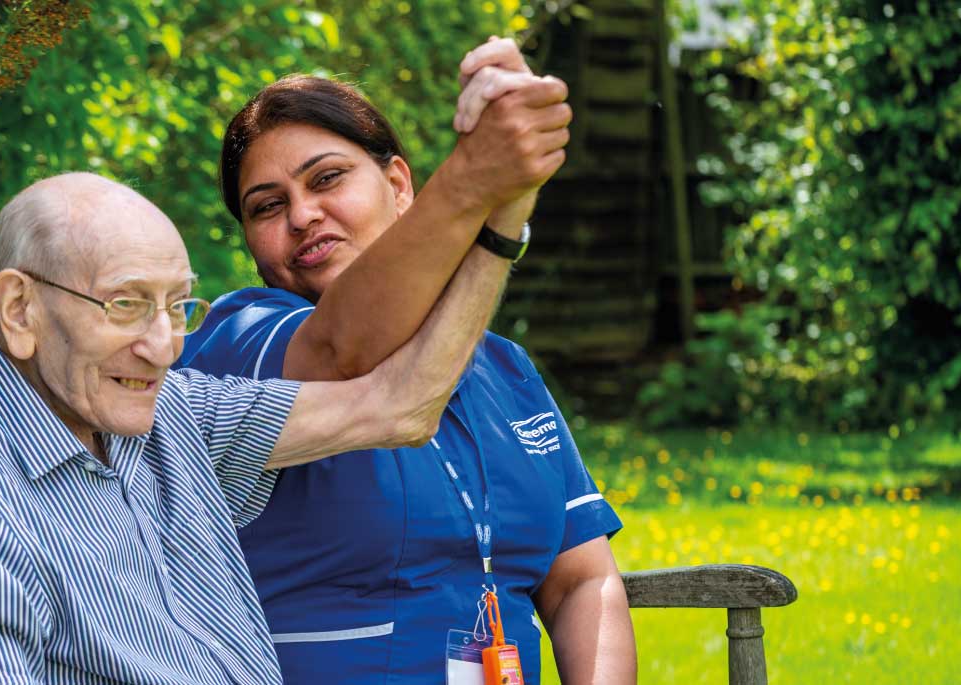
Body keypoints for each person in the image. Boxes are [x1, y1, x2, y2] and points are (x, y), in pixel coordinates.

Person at [0, 171, 517, 684]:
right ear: (20, 308)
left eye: (177, 306)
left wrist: (504, 216)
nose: (164, 346)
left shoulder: (165, 412)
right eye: (127, 304)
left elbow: (399, 405)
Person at [178, 39, 636, 684]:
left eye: (327, 178)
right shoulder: (241, 342)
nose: (304, 214)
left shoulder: (505, 369)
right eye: (268, 206)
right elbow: (345, 350)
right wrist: (480, 182)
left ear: (397, 185)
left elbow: (584, 582)